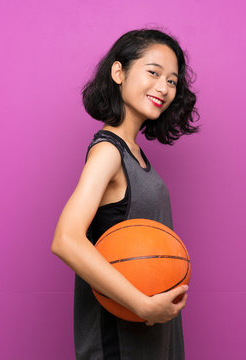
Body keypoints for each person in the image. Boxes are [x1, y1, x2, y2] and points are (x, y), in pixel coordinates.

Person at [51, 28, 200, 360]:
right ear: (119, 72)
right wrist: (143, 305)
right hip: (120, 342)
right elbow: (66, 239)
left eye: (173, 81)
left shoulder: (135, 154)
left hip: (155, 337)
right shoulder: (108, 151)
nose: (164, 87)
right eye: (153, 72)